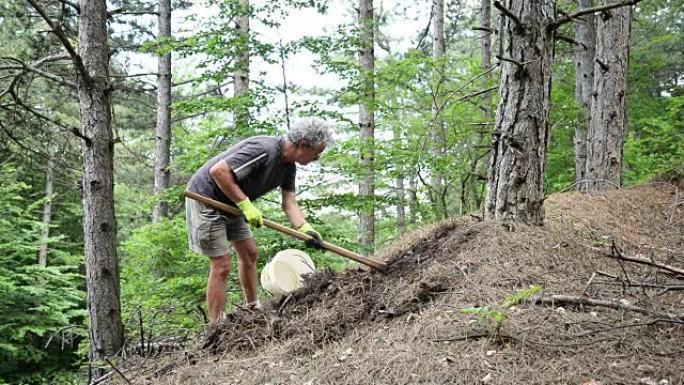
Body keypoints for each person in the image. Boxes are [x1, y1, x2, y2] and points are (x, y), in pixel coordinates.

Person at [185, 117, 332, 326]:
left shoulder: (288, 167)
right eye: (316, 152)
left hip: (233, 202)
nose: (316, 158)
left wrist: (306, 229)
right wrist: (246, 205)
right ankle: (216, 325)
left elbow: (289, 203)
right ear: (302, 144)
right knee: (222, 264)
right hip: (207, 199)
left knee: (250, 253)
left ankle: (253, 308)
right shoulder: (263, 149)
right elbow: (218, 171)